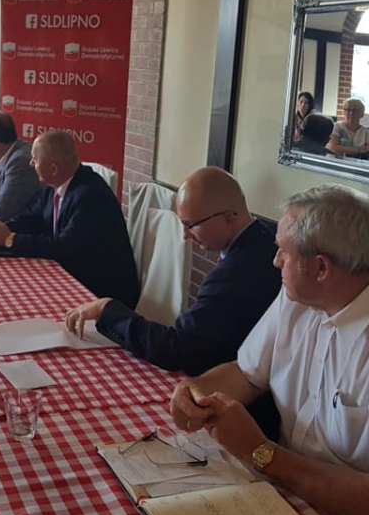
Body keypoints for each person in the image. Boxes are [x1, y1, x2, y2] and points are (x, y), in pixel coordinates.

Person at [170, 185, 369, 515]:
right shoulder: (302, 297)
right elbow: (246, 373)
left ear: (320, 268)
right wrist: (196, 390)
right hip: (298, 490)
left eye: (283, 252)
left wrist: (259, 451)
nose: (275, 261)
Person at [64, 167, 282, 436]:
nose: (185, 234)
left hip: (248, 412)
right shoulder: (263, 237)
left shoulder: (237, 274)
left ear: (228, 218)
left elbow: (175, 348)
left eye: (191, 224)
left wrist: (107, 310)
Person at [0, 129, 140, 308]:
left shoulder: (90, 196)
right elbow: (31, 218)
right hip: (71, 274)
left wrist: (10, 239)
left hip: (102, 292)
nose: (31, 163)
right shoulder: (54, 185)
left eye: (35, 159)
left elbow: (63, 249)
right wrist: (1, 229)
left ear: (53, 168)